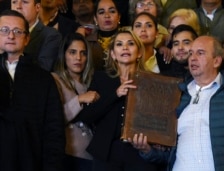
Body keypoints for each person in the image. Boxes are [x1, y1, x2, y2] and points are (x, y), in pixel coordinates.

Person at [129, 35, 224, 171]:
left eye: (200, 53)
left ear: (216, 61)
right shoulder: (179, 95)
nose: (192, 58)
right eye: (191, 53)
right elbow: (170, 155)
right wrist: (148, 150)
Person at [72, 30, 159, 171]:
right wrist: (116, 94)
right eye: (119, 44)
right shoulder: (101, 79)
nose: (125, 47)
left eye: (130, 44)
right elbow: (87, 116)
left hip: (140, 152)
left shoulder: (151, 82)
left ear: (139, 53)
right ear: (113, 54)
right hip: (106, 152)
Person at [0, 9, 65, 171]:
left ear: (27, 38)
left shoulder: (43, 79)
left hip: (30, 162)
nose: (11, 36)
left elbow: (54, 131)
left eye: (17, 31)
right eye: (4, 30)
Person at [52, 32, 100, 171]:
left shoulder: (92, 83)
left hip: (92, 155)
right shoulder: (54, 79)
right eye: (72, 52)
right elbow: (54, 120)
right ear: (64, 55)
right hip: (68, 154)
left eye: (83, 53)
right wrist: (79, 99)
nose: (78, 58)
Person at [11, 0, 62, 71]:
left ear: (37, 7)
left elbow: (43, 68)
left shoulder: (51, 35)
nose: (18, 6)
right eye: (14, 2)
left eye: (25, 2)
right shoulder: (2, 34)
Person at [86, 0, 121, 70]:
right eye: (101, 12)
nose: (107, 16)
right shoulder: (87, 42)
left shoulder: (129, 38)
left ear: (119, 17)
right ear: (95, 19)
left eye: (112, 11)